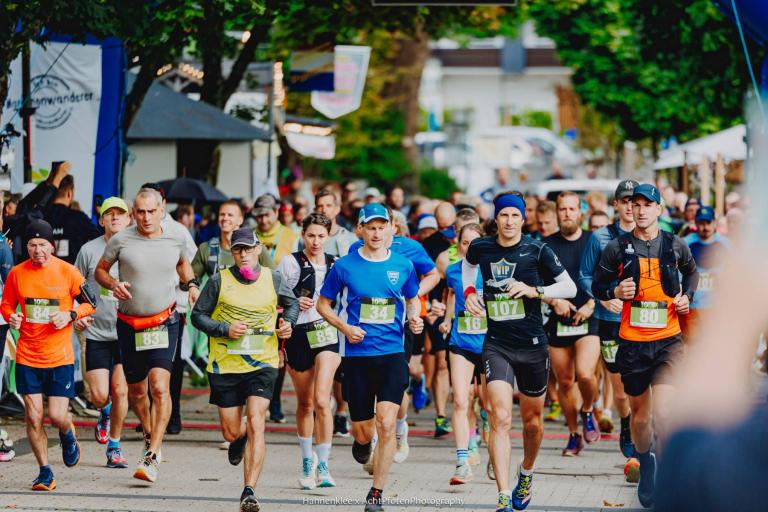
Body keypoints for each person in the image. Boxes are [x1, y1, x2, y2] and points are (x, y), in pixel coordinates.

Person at [462, 191, 577, 512]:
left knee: (532, 423)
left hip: (532, 345)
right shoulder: (481, 247)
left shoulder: (536, 249)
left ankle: (525, 472)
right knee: (499, 416)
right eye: (504, 216)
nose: (510, 221)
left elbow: (569, 287)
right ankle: (501, 496)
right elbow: (467, 267)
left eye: (515, 215)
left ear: (522, 219)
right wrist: (470, 292)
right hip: (497, 344)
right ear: (495, 219)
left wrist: (535, 290)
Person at [592, 183, 699, 508]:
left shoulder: (675, 244)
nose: (639, 210)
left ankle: (667, 478)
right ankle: (646, 461)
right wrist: (614, 293)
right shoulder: (616, 247)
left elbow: (692, 274)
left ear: (658, 209)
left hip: (668, 341)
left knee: (665, 414)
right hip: (633, 344)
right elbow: (598, 284)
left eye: (646, 205)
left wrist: (685, 298)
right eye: (633, 204)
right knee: (640, 419)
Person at [316, 203, 423, 512]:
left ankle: (376, 494)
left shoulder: (403, 265)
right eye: (371, 227)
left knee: (386, 423)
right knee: (364, 430)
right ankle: (362, 444)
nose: (377, 233)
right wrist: (345, 327)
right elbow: (324, 304)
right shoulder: (344, 266)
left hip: (392, 354)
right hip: (357, 356)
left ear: (391, 229)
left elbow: (413, 299)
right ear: (360, 230)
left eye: (382, 226)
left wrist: (414, 318)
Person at [95, 188, 200, 483]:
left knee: (159, 386)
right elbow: (101, 271)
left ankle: (152, 454)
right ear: (133, 211)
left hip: (164, 322)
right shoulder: (121, 239)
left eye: (151, 211)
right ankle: (150, 432)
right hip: (129, 324)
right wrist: (113, 283)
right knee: (138, 392)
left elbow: (182, 262)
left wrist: (191, 284)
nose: (146, 217)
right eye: (140, 212)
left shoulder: (176, 235)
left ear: (162, 208)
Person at [192, 227, 297, 512]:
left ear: (258, 248)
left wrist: (288, 323)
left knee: (256, 421)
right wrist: (224, 329)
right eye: (238, 249)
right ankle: (237, 439)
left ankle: (249, 491)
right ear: (233, 251)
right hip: (225, 364)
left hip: (262, 362)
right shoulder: (218, 281)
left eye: (248, 248)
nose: (244, 254)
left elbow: (292, 303)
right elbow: (197, 316)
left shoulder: (273, 278)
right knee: (230, 431)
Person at [1, 219, 96, 491]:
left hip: (59, 358)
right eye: (32, 244)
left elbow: (92, 303)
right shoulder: (17, 274)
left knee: (56, 416)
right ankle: (45, 471)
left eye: (42, 244)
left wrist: (71, 314)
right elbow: (7, 304)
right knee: (32, 417)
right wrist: (13, 317)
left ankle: (67, 432)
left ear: (51, 246)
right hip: (27, 356)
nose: (37, 250)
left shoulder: (68, 272)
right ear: (26, 246)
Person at [277, 213, 341, 489]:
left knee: (322, 399)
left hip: (326, 333)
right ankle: (307, 461)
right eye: (311, 235)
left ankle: (324, 466)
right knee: (305, 403)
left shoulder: (335, 265)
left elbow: (346, 300)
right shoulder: (290, 263)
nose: (316, 241)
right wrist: (291, 301)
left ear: (329, 236)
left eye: (321, 236)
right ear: (303, 234)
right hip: (298, 335)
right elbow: (274, 300)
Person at [578, 180, 639, 468]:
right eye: (624, 201)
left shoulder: (654, 236)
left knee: (644, 384)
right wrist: (603, 299)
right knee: (620, 388)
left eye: (634, 201)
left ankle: (643, 436)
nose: (629, 206)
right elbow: (584, 276)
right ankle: (626, 421)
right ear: (615, 205)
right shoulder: (600, 237)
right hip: (610, 320)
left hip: (643, 321)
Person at [74, 197, 131, 468]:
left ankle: (115, 447)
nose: (115, 218)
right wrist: (77, 314)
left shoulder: (135, 249)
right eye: (110, 214)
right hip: (96, 331)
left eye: (121, 214)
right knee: (98, 395)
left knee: (121, 390)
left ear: (129, 219)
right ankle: (105, 411)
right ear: (102, 220)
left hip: (126, 330)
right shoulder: (88, 250)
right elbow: (72, 288)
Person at [543, 192, 601, 456]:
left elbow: (608, 278)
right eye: (562, 209)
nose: (566, 213)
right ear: (557, 213)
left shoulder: (595, 241)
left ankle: (588, 409)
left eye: (571, 209)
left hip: (588, 318)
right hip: (559, 320)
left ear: (581, 212)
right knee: (565, 382)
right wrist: (554, 301)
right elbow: (538, 284)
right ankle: (574, 434)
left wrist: (592, 303)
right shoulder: (546, 246)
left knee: (586, 374)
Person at [438, 223, 486, 485]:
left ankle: (491, 448)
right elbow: (452, 296)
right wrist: (447, 319)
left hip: (491, 345)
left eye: (475, 243)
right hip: (461, 342)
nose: (470, 248)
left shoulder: (493, 270)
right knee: (460, 400)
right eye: (465, 243)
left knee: (490, 405)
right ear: (458, 244)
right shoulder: (453, 271)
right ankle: (462, 460)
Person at [681, 206, 732, 339]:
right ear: (696, 223)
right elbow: (678, 272)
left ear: (714, 223)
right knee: (692, 346)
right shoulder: (686, 244)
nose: (705, 226)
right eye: (701, 222)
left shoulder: (726, 244)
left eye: (708, 222)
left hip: (717, 306)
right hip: (693, 306)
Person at [192, 200, 274, 281]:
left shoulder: (255, 248)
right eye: (222, 214)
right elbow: (191, 279)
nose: (225, 218)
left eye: (230, 215)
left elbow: (273, 278)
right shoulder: (206, 248)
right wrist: (191, 284)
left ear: (240, 220)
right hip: (217, 293)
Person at [46, 175, 102, 265]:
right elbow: (99, 239)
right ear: (69, 193)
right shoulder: (79, 218)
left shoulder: (39, 216)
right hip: (72, 275)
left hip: (43, 276)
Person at [297, 188, 358, 258]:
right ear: (315, 210)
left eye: (328, 205)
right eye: (320, 206)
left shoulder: (350, 239)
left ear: (337, 209)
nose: (324, 210)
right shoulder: (306, 240)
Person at [252, 194, 298, 266]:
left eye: (267, 215)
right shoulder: (248, 235)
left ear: (276, 212)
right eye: (260, 216)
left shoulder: (292, 237)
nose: (264, 220)